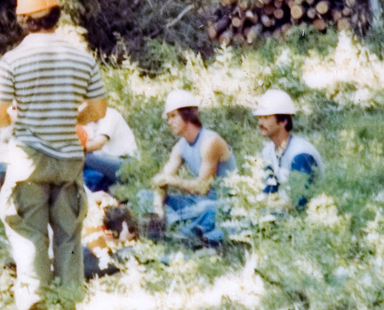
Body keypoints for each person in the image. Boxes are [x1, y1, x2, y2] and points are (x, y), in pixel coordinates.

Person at [0, 0, 108, 310]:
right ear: (57, 14)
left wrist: (16, 115)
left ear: (23, 20)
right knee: (69, 232)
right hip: (69, 160)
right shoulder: (81, 58)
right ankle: (69, 307)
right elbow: (98, 109)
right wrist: (73, 116)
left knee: (28, 231)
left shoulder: (13, 60)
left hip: (29, 161)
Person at [142, 90, 235, 246]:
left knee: (206, 209)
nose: (169, 122)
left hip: (219, 202)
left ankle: (175, 228)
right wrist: (158, 207)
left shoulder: (210, 142)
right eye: (168, 117)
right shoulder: (180, 147)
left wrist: (170, 180)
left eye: (173, 116)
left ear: (187, 115)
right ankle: (172, 225)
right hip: (195, 202)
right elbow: (161, 180)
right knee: (144, 196)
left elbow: (203, 187)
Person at [253, 89, 323, 209]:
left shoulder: (301, 154)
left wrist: (266, 206)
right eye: (260, 117)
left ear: (283, 121)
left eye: (266, 117)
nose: (260, 122)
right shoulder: (267, 152)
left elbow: (300, 200)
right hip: (281, 211)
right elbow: (269, 190)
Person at [80, 105, 138, 192]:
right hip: (106, 167)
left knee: (82, 156)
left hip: (126, 164)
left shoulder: (109, 114)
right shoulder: (88, 123)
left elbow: (98, 144)